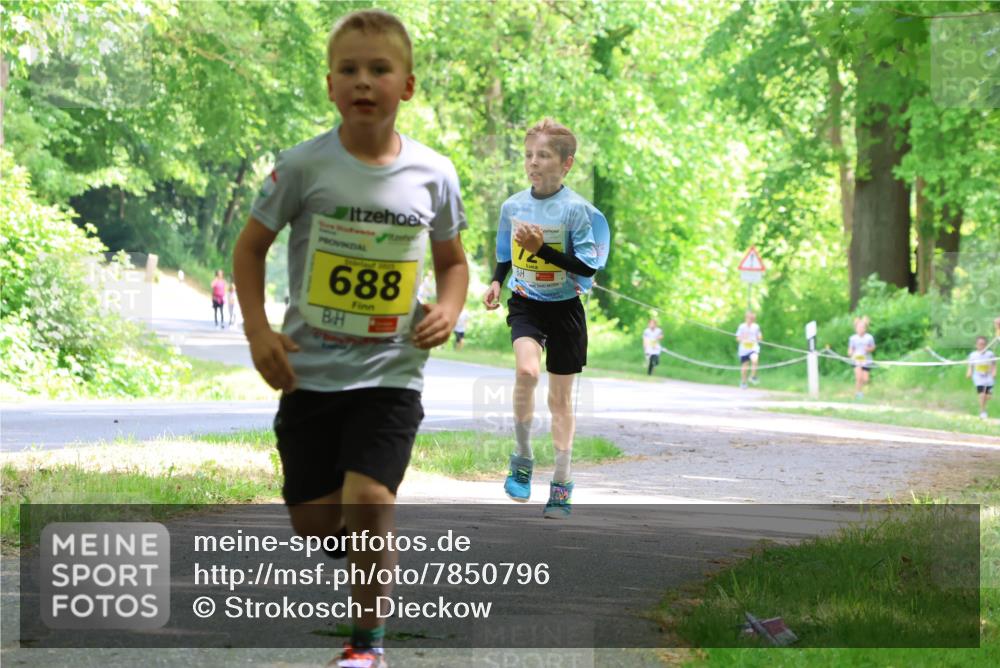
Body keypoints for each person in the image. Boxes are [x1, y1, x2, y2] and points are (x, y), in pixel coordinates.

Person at [232, 10, 468, 668]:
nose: (364, 81)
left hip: (392, 373)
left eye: (379, 69)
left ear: (408, 85)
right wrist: (258, 332)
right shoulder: (303, 167)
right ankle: (366, 545)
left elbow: (453, 262)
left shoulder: (433, 173)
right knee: (314, 523)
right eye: (350, 70)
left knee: (368, 500)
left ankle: (366, 645)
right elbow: (249, 250)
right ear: (330, 86)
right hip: (310, 373)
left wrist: (448, 309)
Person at [482, 118, 609, 519]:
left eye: (543, 156)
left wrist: (543, 250)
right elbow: (506, 251)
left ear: (566, 163)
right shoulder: (513, 205)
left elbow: (587, 268)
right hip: (526, 303)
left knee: (559, 400)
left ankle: (562, 482)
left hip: (565, 308)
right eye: (528, 155)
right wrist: (496, 282)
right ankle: (521, 457)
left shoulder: (574, 211)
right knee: (526, 373)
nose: (533, 163)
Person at [967, 335, 996, 419]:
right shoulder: (973, 355)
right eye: (979, 344)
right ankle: (983, 411)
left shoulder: (990, 354)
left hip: (989, 378)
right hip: (978, 378)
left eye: (983, 344)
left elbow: (994, 364)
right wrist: (969, 372)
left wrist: (994, 372)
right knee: (982, 395)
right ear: (976, 345)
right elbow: (970, 365)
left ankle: (983, 406)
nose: (981, 346)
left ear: (986, 345)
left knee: (988, 396)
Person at [848, 316, 875, 400]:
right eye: (858, 327)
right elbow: (850, 348)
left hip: (867, 361)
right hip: (857, 360)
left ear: (865, 329)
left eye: (862, 327)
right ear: (856, 328)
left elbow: (873, 347)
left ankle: (866, 389)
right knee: (858, 377)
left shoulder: (869, 337)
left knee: (865, 379)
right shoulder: (852, 338)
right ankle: (858, 393)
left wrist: (869, 349)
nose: (860, 329)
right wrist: (850, 352)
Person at [736, 310, 762, 389]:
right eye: (749, 318)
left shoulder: (756, 326)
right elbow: (737, 338)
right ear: (746, 318)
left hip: (753, 347)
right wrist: (743, 339)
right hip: (744, 349)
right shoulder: (741, 326)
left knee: (755, 359)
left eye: (752, 318)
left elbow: (759, 336)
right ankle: (743, 382)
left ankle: (753, 376)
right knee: (745, 366)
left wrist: (759, 338)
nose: (750, 320)